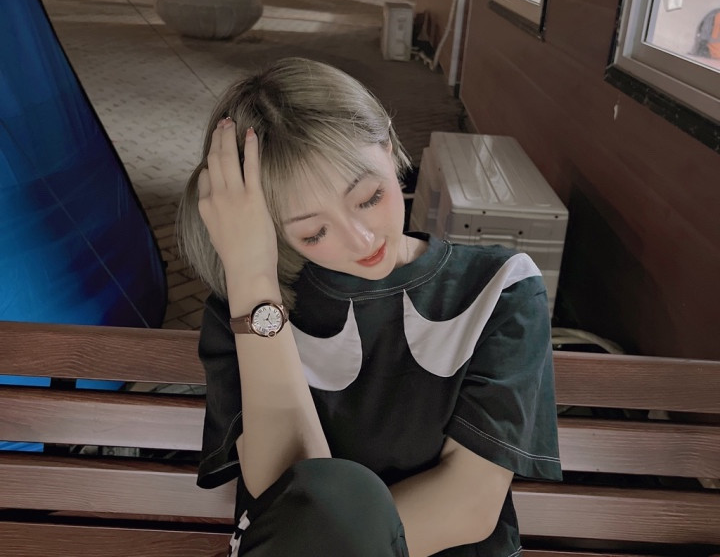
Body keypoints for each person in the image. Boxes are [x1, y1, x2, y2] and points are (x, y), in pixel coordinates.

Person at [177, 58, 562, 557]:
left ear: (389, 148)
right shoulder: (249, 312)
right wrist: (252, 279)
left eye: (369, 197)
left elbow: (469, 505)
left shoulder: (499, 289)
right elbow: (288, 493)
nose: (362, 240)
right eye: (313, 231)